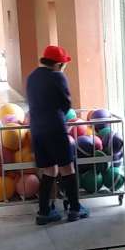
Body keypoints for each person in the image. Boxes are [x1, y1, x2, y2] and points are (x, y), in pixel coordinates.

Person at [26, 45, 89, 226]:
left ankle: (44, 212)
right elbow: (66, 105)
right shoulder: (57, 77)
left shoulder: (32, 77)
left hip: (37, 129)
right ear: (59, 64)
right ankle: (75, 209)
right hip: (55, 128)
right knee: (67, 168)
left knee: (49, 170)